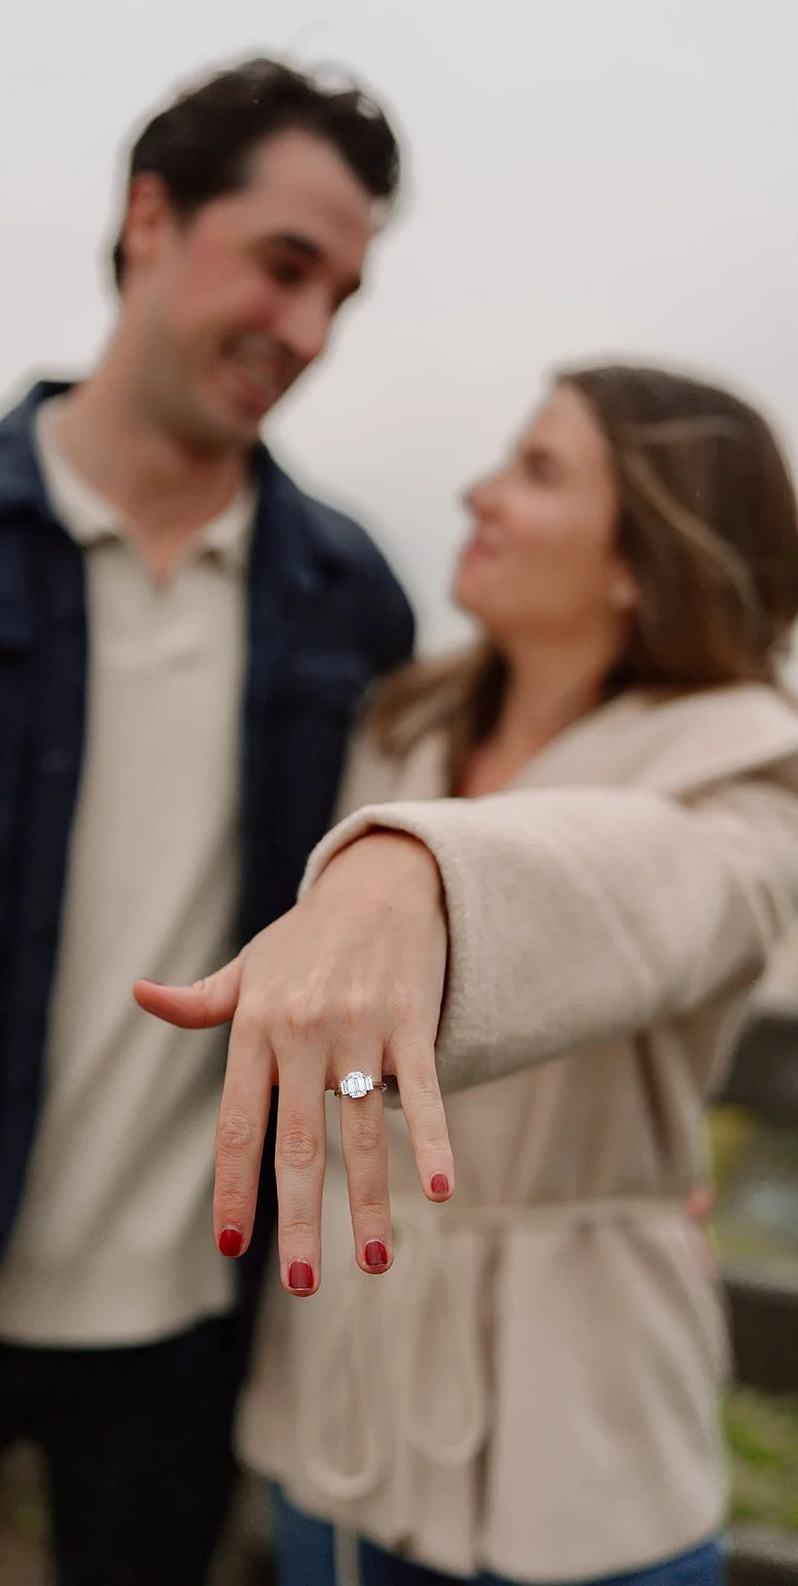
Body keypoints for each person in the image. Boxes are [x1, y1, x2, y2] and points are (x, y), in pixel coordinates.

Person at [0, 57, 414, 1586]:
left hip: (186, 1324)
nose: (303, 333)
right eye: (284, 266)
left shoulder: (346, 596)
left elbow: (405, 906)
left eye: (340, 298)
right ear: (151, 215)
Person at [138, 364, 798, 1585]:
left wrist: (418, 868)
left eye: (536, 470)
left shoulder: (751, 761)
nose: (476, 493)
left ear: (635, 557)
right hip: (343, 1388)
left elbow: (662, 884)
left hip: (586, 1429)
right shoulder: (399, 724)